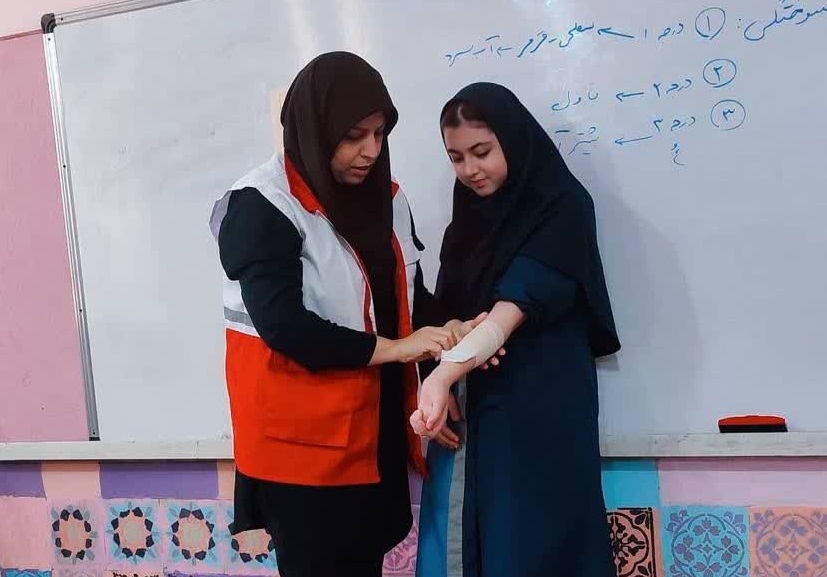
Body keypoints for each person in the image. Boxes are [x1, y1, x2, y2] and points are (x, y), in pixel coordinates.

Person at [209, 52, 480, 577]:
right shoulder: (263, 205)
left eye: (379, 134)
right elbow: (286, 327)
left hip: (374, 432)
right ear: (316, 127)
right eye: (354, 136)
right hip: (302, 449)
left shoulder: (388, 198)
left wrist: (446, 343)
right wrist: (400, 349)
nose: (370, 151)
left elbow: (407, 298)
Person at [411, 83, 621, 577]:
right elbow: (452, 320)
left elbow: (510, 311)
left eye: (482, 151)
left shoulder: (562, 207)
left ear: (512, 139)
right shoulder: (465, 226)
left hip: (540, 413)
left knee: (531, 544)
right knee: (462, 546)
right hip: (473, 411)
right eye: (456, 158)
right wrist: (444, 377)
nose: (470, 169)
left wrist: (442, 376)